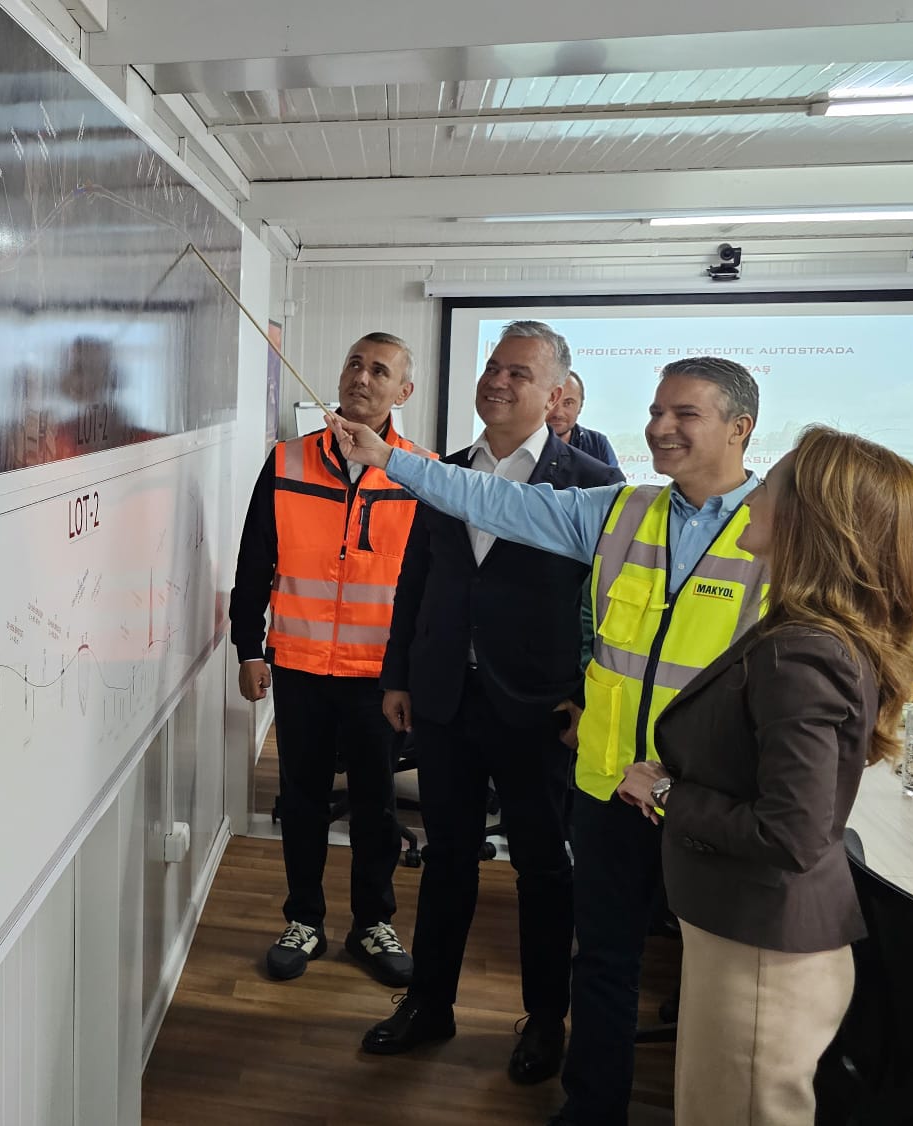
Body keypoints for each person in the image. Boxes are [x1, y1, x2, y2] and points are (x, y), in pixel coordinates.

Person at [329, 356, 769, 1126]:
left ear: (741, 428)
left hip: (710, 799)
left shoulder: (782, 532)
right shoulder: (621, 510)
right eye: (656, 411)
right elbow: (495, 501)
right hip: (611, 783)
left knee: (724, 983)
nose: (660, 428)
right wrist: (389, 459)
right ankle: (591, 1109)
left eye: (685, 414)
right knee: (604, 962)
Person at [614, 426, 913, 1126]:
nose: (754, 494)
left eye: (772, 484)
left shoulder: (802, 653)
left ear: (812, 519)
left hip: (760, 960)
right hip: (747, 941)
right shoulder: (805, 635)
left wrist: (666, 794)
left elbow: (791, 832)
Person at [362, 322, 622, 1085]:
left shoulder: (590, 484)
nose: (498, 382)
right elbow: (418, 579)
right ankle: (428, 1004)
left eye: (519, 373)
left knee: (543, 867)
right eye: (492, 368)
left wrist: (587, 697)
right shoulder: (444, 472)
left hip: (540, 708)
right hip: (446, 696)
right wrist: (398, 675)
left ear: (556, 394)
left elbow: (611, 606)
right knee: (447, 857)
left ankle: (544, 1020)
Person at [229, 332, 430, 986]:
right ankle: (304, 920)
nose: (361, 378)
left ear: (403, 392)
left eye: (380, 371)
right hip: (300, 667)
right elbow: (253, 563)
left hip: (379, 680)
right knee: (302, 800)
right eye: (354, 364)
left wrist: (413, 675)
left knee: (376, 807)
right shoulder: (288, 461)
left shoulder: (419, 473)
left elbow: (429, 588)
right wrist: (247, 646)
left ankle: (373, 924)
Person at [550, 371, 621, 474]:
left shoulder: (597, 443)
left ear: (580, 406)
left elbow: (615, 483)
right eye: (552, 401)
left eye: (568, 403)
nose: (558, 413)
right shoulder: (525, 442)